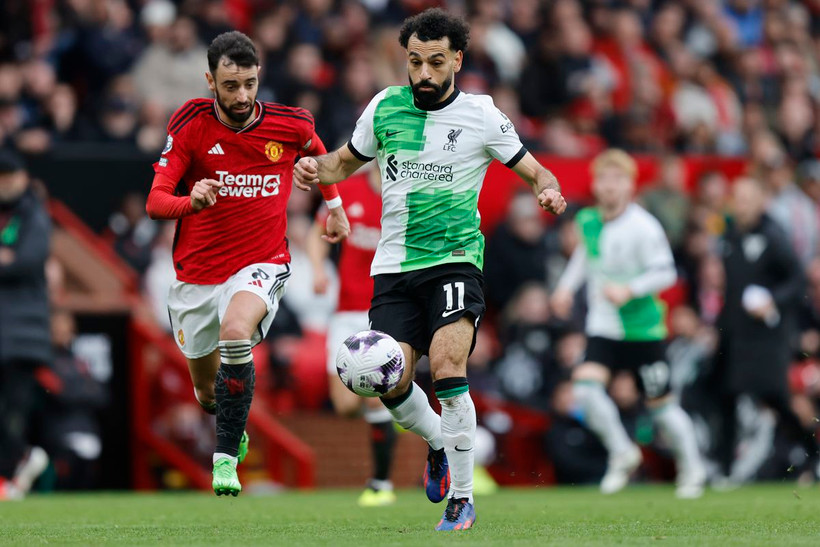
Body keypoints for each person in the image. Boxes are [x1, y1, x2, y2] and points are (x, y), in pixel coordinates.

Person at [293, 8, 566, 530]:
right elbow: (341, 163)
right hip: (394, 268)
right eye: (415, 61)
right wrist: (313, 167)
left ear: (457, 60)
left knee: (446, 366)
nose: (423, 72)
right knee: (385, 380)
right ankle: (439, 440)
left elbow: (536, 171)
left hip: (454, 261)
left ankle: (461, 499)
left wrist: (547, 190)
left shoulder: (482, 114)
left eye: (435, 62)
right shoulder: (384, 107)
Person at [145, 31, 350, 497]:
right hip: (197, 275)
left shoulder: (289, 123)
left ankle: (223, 460)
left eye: (250, 84)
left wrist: (334, 206)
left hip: (262, 262)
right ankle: (231, 425)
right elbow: (155, 202)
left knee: (236, 331)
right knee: (208, 394)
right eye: (231, 85)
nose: (242, 96)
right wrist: (191, 202)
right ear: (210, 82)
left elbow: (320, 153)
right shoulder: (191, 122)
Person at [551, 149, 706, 499]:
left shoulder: (643, 226)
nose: (609, 186)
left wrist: (630, 289)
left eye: (617, 179)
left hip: (642, 331)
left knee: (662, 408)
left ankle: (692, 468)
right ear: (595, 184)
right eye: (604, 178)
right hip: (604, 327)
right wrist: (564, 289)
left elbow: (666, 272)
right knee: (585, 391)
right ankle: (622, 452)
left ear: (630, 186)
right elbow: (584, 256)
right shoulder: (587, 220)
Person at [714, 177, 818, 484]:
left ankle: (813, 453)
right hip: (735, 332)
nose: (741, 205)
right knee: (727, 397)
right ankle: (725, 470)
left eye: (747, 199)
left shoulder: (774, 236)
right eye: (737, 198)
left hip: (767, 336)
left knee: (775, 397)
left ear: (761, 202)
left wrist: (772, 299)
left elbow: (797, 280)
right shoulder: (729, 236)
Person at [306, 166, 398, 507]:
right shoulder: (347, 191)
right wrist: (318, 269)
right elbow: (317, 232)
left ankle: (381, 483)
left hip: (386, 310)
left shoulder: (405, 191)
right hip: (346, 313)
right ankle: (397, 411)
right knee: (345, 405)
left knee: (374, 397)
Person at [0, 149, 51, 500]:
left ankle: (13, 466)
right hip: (8, 329)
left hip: (22, 332)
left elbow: (26, 261)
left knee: (13, 408)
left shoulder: (34, 214)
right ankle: (20, 461)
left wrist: (11, 259)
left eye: (10, 177)